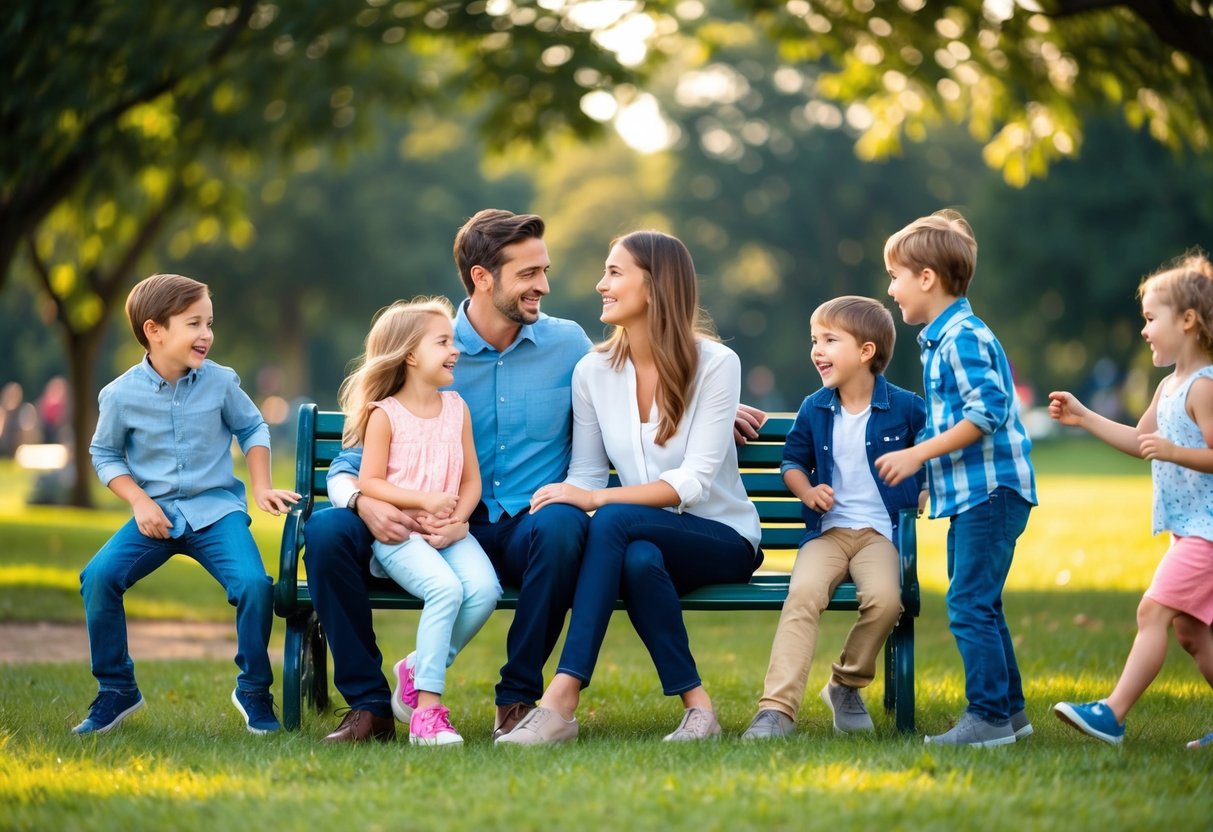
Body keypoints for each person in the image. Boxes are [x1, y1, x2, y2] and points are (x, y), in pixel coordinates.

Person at [309, 210, 765, 743]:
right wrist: (362, 501)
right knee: (326, 532)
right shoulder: (429, 345)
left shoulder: (569, 346)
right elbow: (351, 463)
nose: (544, 286)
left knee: (565, 525)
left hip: (533, 522)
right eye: (529, 274)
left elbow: (644, 392)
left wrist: (707, 407)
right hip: (445, 523)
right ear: (483, 278)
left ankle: (520, 698)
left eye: (544, 271)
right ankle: (369, 706)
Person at [496, 230, 762, 745]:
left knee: (616, 521)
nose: (601, 284)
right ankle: (699, 710)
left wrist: (594, 501)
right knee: (637, 559)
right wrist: (572, 496)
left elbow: (691, 482)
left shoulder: (716, 364)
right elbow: (588, 475)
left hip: (722, 538)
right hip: (645, 538)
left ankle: (561, 700)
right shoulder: (592, 371)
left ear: (656, 287)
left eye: (615, 273)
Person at [74, 273, 299, 735]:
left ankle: (254, 689)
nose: (206, 335)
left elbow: (253, 428)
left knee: (255, 586)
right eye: (194, 324)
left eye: (209, 323)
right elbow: (104, 453)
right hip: (154, 515)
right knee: (98, 577)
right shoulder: (119, 395)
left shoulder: (220, 382)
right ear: (154, 330)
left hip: (216, 512)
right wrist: (138, 501)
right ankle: (116, 689)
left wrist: (260, 488)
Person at [875, 210, 1037, 747]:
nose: (891, 289)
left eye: (896, 276)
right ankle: (1010, 715)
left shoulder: (963, 337)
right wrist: (930, 479)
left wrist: (918, 455)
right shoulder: (944, 338)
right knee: (982, 603)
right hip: (976, 494)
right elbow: (958, 420)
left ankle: (987, 717)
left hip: (989, 495)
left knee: (968, 603)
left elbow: (986, 411)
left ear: (927, 278)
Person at [741, 296, 926, 739]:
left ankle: (845, 682)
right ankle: (776, 710)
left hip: (878, 536)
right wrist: (808, 490)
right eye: (813, 340)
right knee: (802, 594)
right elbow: (791, 462)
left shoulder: (906, 408)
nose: (816, 350)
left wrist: (924, 490)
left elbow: (934, 454)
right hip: (827, 534)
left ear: (866, 351)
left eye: (829, 340)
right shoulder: (814, 407)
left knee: (886, 600)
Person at [1048, 252, 1213, 749]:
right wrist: (1083, 417)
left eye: (1149, 319)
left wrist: (1176, 451)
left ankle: (1112, 715)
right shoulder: (1168, 385)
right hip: (1190, 530)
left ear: (1187, 321)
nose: (1143, 330)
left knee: (1152, 612)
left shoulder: (1205, 387)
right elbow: (1140, 442)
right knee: (1192, 633)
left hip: (1208, 531)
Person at [337, 297, 501, 746]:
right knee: (445, 590)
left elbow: (471, 481)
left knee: (486, 590)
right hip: (401, 536)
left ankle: (413, 668)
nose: (456, 350)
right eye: (443, 342)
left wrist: (459, 520)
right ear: (411, 355)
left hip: (447, 533)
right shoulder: (384, 415)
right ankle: (427, 712)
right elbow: (369, 482)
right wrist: (423, 499)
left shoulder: (457, 409)